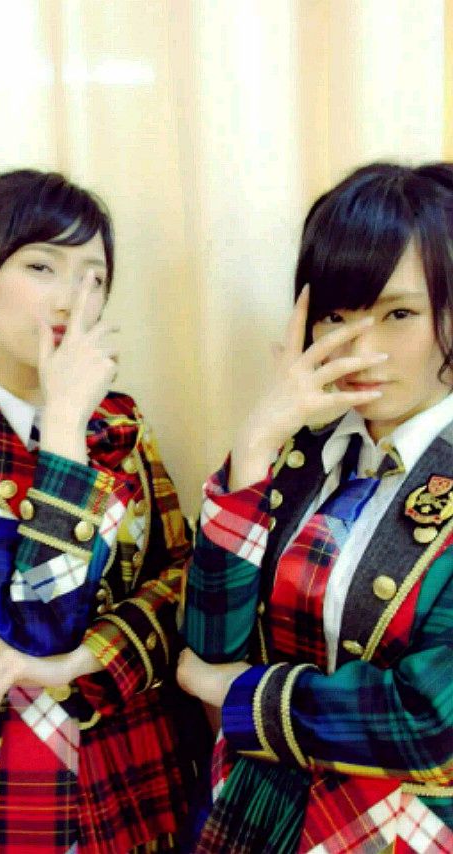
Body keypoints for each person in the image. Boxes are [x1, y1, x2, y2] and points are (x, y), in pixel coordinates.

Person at [177, 162, 453, 853]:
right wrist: (255, 444)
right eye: (336, 316)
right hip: (254, 816)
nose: (361, 349)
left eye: (398, 314)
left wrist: (241, 695)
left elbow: (431, 719)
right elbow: (210, 641)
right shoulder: (303, 455)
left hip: (392, 830)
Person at [0, 168, 206, 853]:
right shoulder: (79, 421)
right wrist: (64, 430)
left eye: (95, 277)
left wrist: (85, 658)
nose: (74, 297)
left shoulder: (120, 423)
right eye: (42, 266)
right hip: (5, 782)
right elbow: (38, 622)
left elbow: (184, 581)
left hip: (135, 770)